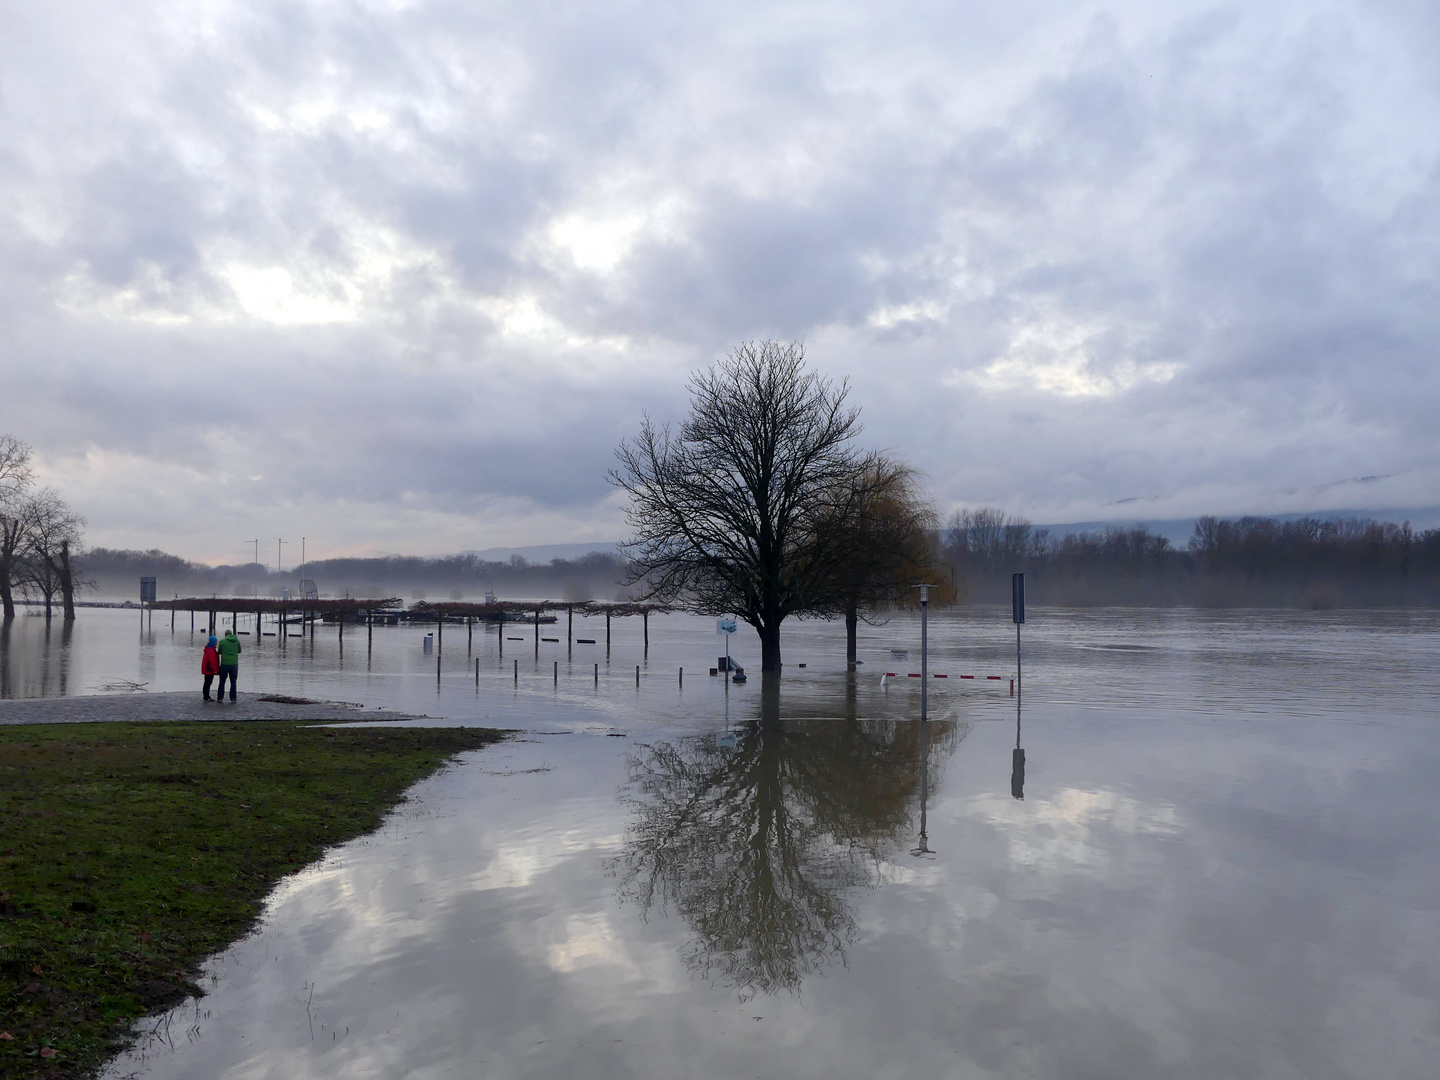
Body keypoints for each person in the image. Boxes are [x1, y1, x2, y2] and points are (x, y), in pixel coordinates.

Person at [216, 627, 242, 702]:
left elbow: (219, 651)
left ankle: (220, 698)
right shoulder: (237, 641)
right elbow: (239, 651)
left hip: (224, 664)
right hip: (234, 664)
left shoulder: (222, 641)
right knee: (233, 682)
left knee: (222, 681)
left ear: (225, 635)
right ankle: (233, 698)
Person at [201, 635, 220, 701]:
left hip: (207, 668)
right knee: (208, 683)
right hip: (209, 669)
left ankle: (206, 696)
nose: (216, 643)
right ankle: (206, 697)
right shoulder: (211, 650)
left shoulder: (208, 649)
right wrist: (215, 670)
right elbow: (212, 661)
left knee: (207, 682)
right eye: (216, 642)